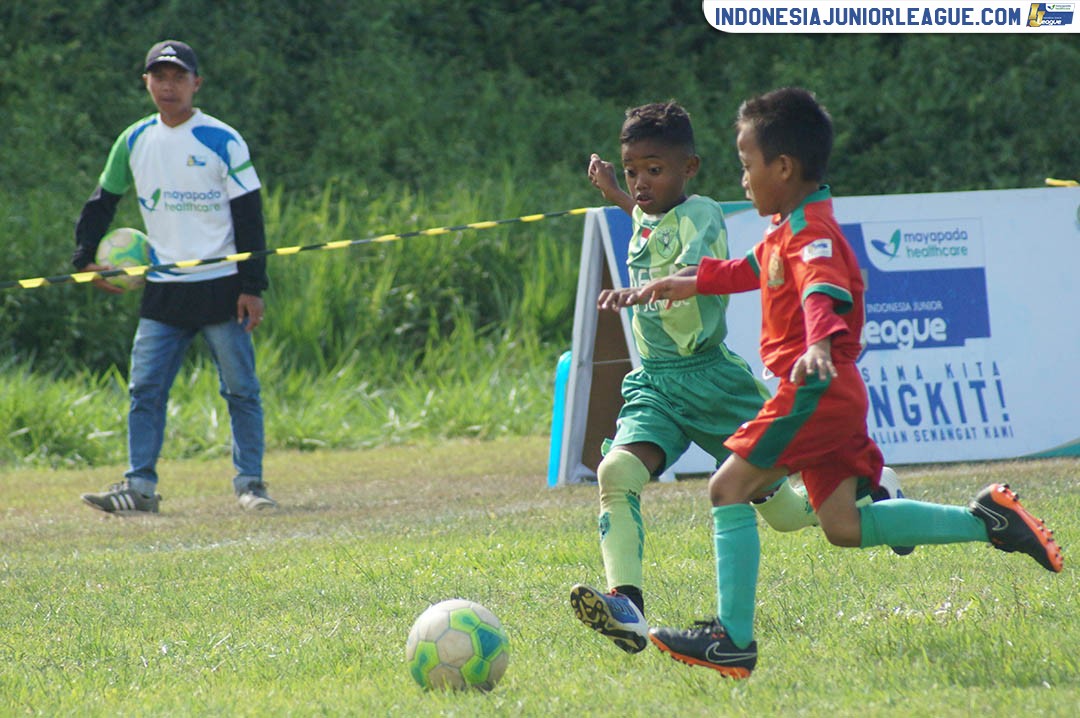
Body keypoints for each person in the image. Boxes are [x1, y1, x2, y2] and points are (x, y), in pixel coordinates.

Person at [633, 87, 1063, 678]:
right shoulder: (793, 226)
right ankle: (988, 520)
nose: (743, 178)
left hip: (813, 389)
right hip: (834, 395)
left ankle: (732, 639)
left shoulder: (812, 236)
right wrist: (693, 280)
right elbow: (754, 268)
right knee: (843, 525)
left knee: (726, 488)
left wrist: (815, 343)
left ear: (782, 168)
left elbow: (821, 292)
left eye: (747, 164)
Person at [568, 101, 909, 656]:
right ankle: (626, 606)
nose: (642, 182)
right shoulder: (647, 212)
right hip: (655, 383)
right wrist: (617, 193)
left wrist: (658, 280)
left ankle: (874, 495)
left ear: (690, 168)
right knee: (616, 471)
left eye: (655, 170)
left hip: (713, 383)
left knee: (788, 513)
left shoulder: (701, 215)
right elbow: (649, 220)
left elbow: (687, 259)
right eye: (633, 170)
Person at [75, 40, 275, 514]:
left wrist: (252, 286)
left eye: (178, 77)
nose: (168, 86)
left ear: (196, 84)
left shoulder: (222, 139)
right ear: (146, 82)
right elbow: (102, 202)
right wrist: (84, 259)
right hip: (163, 292)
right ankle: (139, 487)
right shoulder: (133, 140)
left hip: (223, 289)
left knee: (241, 389)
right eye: (159, 76)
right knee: (145, 390)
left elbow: (250, 216)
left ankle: (251, 485)